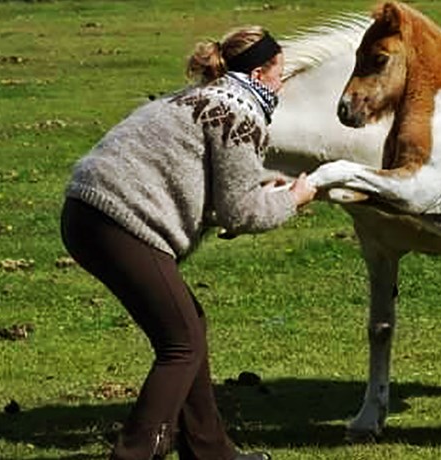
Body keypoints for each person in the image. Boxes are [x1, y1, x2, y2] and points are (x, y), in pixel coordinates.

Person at [61, 25, 316, 460]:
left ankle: (210, 452)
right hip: (122, 224)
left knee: (188, 327)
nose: (282, 82)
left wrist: (260, 186)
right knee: (181, 343)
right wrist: (294, 199)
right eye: (280, 73)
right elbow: (241, 213)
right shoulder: (240, 114)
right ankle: (136, 452)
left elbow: (211, 184)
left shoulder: (202, 97)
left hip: (89, 212)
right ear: (259, 75)